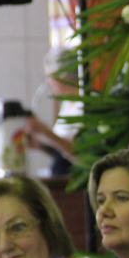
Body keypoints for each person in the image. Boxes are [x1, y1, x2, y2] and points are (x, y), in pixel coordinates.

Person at [25, 47, 81, 176]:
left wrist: (45, 131)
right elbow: (64, 155)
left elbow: (81, 154)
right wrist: (40, 146)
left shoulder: (83, 105)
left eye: (50, 77)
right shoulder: (67, 104)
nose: (48, 83)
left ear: (64, 76)